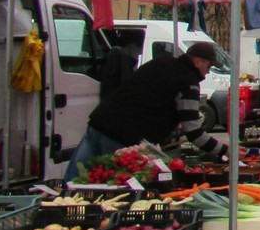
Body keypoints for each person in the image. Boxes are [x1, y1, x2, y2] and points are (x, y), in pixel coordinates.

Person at [66, 42, 227, 181]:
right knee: (113, 186)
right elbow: (193, 132)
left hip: (99, 123)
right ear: (198, 61)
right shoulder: (188, 82)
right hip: (123, 137)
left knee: (74, 180)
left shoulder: (160, 63)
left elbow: (146, 94)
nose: (208, 72)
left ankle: (59, 211)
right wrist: (225, 150)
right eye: (209, 66)